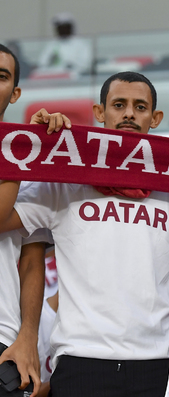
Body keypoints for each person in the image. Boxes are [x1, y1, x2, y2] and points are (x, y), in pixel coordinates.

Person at [0, 71, 169, 397]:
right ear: (100, 113)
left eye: (140, 106)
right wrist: (27, 147)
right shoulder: (64, 183)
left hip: (158, 361)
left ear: (156, 118)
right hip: (79, 361)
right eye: (119, 104)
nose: (129, 113)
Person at [0, 43, 53, 397]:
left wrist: (28, 337)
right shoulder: (24, 157)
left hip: (3, 338)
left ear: (16, 91)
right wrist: (21, 155)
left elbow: (32, 263)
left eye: (1, 76)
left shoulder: (29, 160)